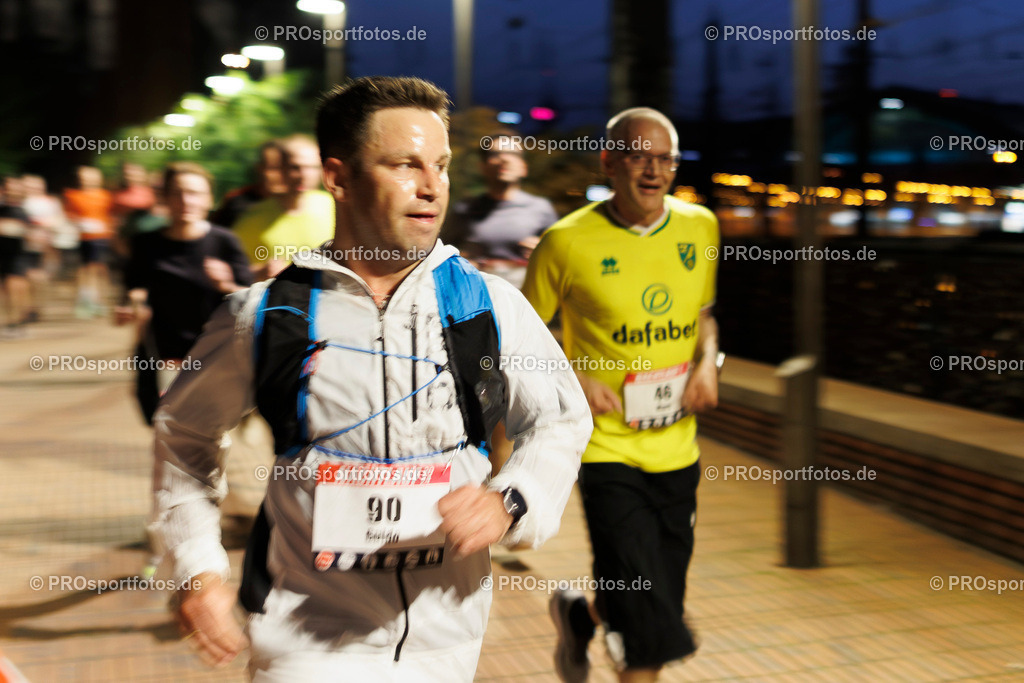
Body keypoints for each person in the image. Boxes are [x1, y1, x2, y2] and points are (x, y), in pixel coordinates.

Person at [151, 75, 591, 680]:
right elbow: (184, 437)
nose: (432, 185)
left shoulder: (486, 303)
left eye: (440, 164)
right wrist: (198, 569)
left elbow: (559, 419)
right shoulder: (264, 314)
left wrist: (513, 499)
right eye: (405, 165)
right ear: (339, 177)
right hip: (304, 640)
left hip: (448, 641)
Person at [522, 107, 721, 683]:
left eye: (666, 159)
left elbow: (704, 316)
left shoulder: (701, 226)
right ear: (610, 162)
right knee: (649, 626)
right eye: (639, 156)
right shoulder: (565, 241)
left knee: (651, 590)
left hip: (678, 448)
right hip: (605, 448)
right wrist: (576, 378)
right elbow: (524, 339)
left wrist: (710, 363)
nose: (654, 170)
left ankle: (581, 617)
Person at [117, 162, 253, 422]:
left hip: (214, 354)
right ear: (165, 198)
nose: (185, 200)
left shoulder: (224, 242)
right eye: (177, 193)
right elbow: (131, 292)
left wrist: (226, 285)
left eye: (194, 193)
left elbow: (249, 298)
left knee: (206, 429)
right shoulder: (146, 243)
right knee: (162, 425)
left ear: (209, 199)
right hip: (162, 356)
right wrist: (130, 308)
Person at [444, 130, 558, 285]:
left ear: (524, 167)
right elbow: (442, 253)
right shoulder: (465, 209)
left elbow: (559, 260)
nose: (504, 159)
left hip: (524, 298)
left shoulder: (540, 208)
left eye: (513, 154)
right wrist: (462, 260)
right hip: (477, 298)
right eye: (495, 153)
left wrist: (542, 252)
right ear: (482, 166)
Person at [233, 135, 335, 279]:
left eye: (312, 167)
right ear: (280, 170)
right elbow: (233, 273)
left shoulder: (336, 206)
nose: (304, 175)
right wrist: (260, 272)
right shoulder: (252, 219)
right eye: (295, 167)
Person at [63, 165, 113, 318]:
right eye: (82, 178)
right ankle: (85, 302)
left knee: (100, 269)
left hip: (102, 237)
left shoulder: (105, 196)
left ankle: (99, 301)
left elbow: (111, 216)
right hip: (83, 238)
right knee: (85, 269)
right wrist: (78, 222)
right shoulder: (72, 195)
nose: (85, 181)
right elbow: (68, 214)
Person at [210, 141, 288, 230]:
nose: (280, 174)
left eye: (286, 168)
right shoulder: (236, 203)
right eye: (273, 168)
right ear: (259, 169)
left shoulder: (303, 206)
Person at [0, 177, 32, 337]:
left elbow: (30, 232)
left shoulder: (23, 211)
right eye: (9, 188)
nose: (12, 191)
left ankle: (17, 322)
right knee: (6, 289)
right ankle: (11, 321)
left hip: (18, 254)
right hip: (3, 253)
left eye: (15, 188)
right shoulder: (2, 208)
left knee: (15, 286)